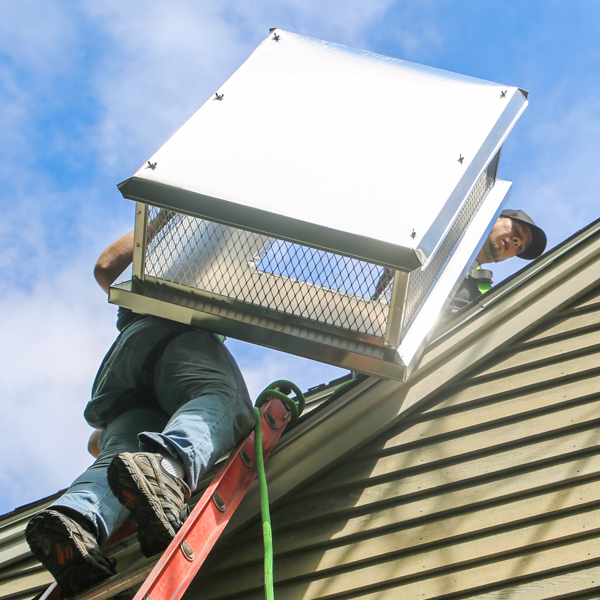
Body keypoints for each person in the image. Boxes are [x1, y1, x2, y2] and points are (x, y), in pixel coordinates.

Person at [25, 213, 256, 597]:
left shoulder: (156, 278)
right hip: (176, 338)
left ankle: (76, 516)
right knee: (223, 401)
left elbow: (98, 445)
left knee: (117, 454)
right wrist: (161, 219)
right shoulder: (186, 269)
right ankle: (167, 467)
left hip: (123, 373)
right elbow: (105, 269)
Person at [373, 209, 547, 313]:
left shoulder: (483, 292)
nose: (517, 241)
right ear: (495, 217)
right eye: (516, 229)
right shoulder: (438, 238)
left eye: (521, 247)